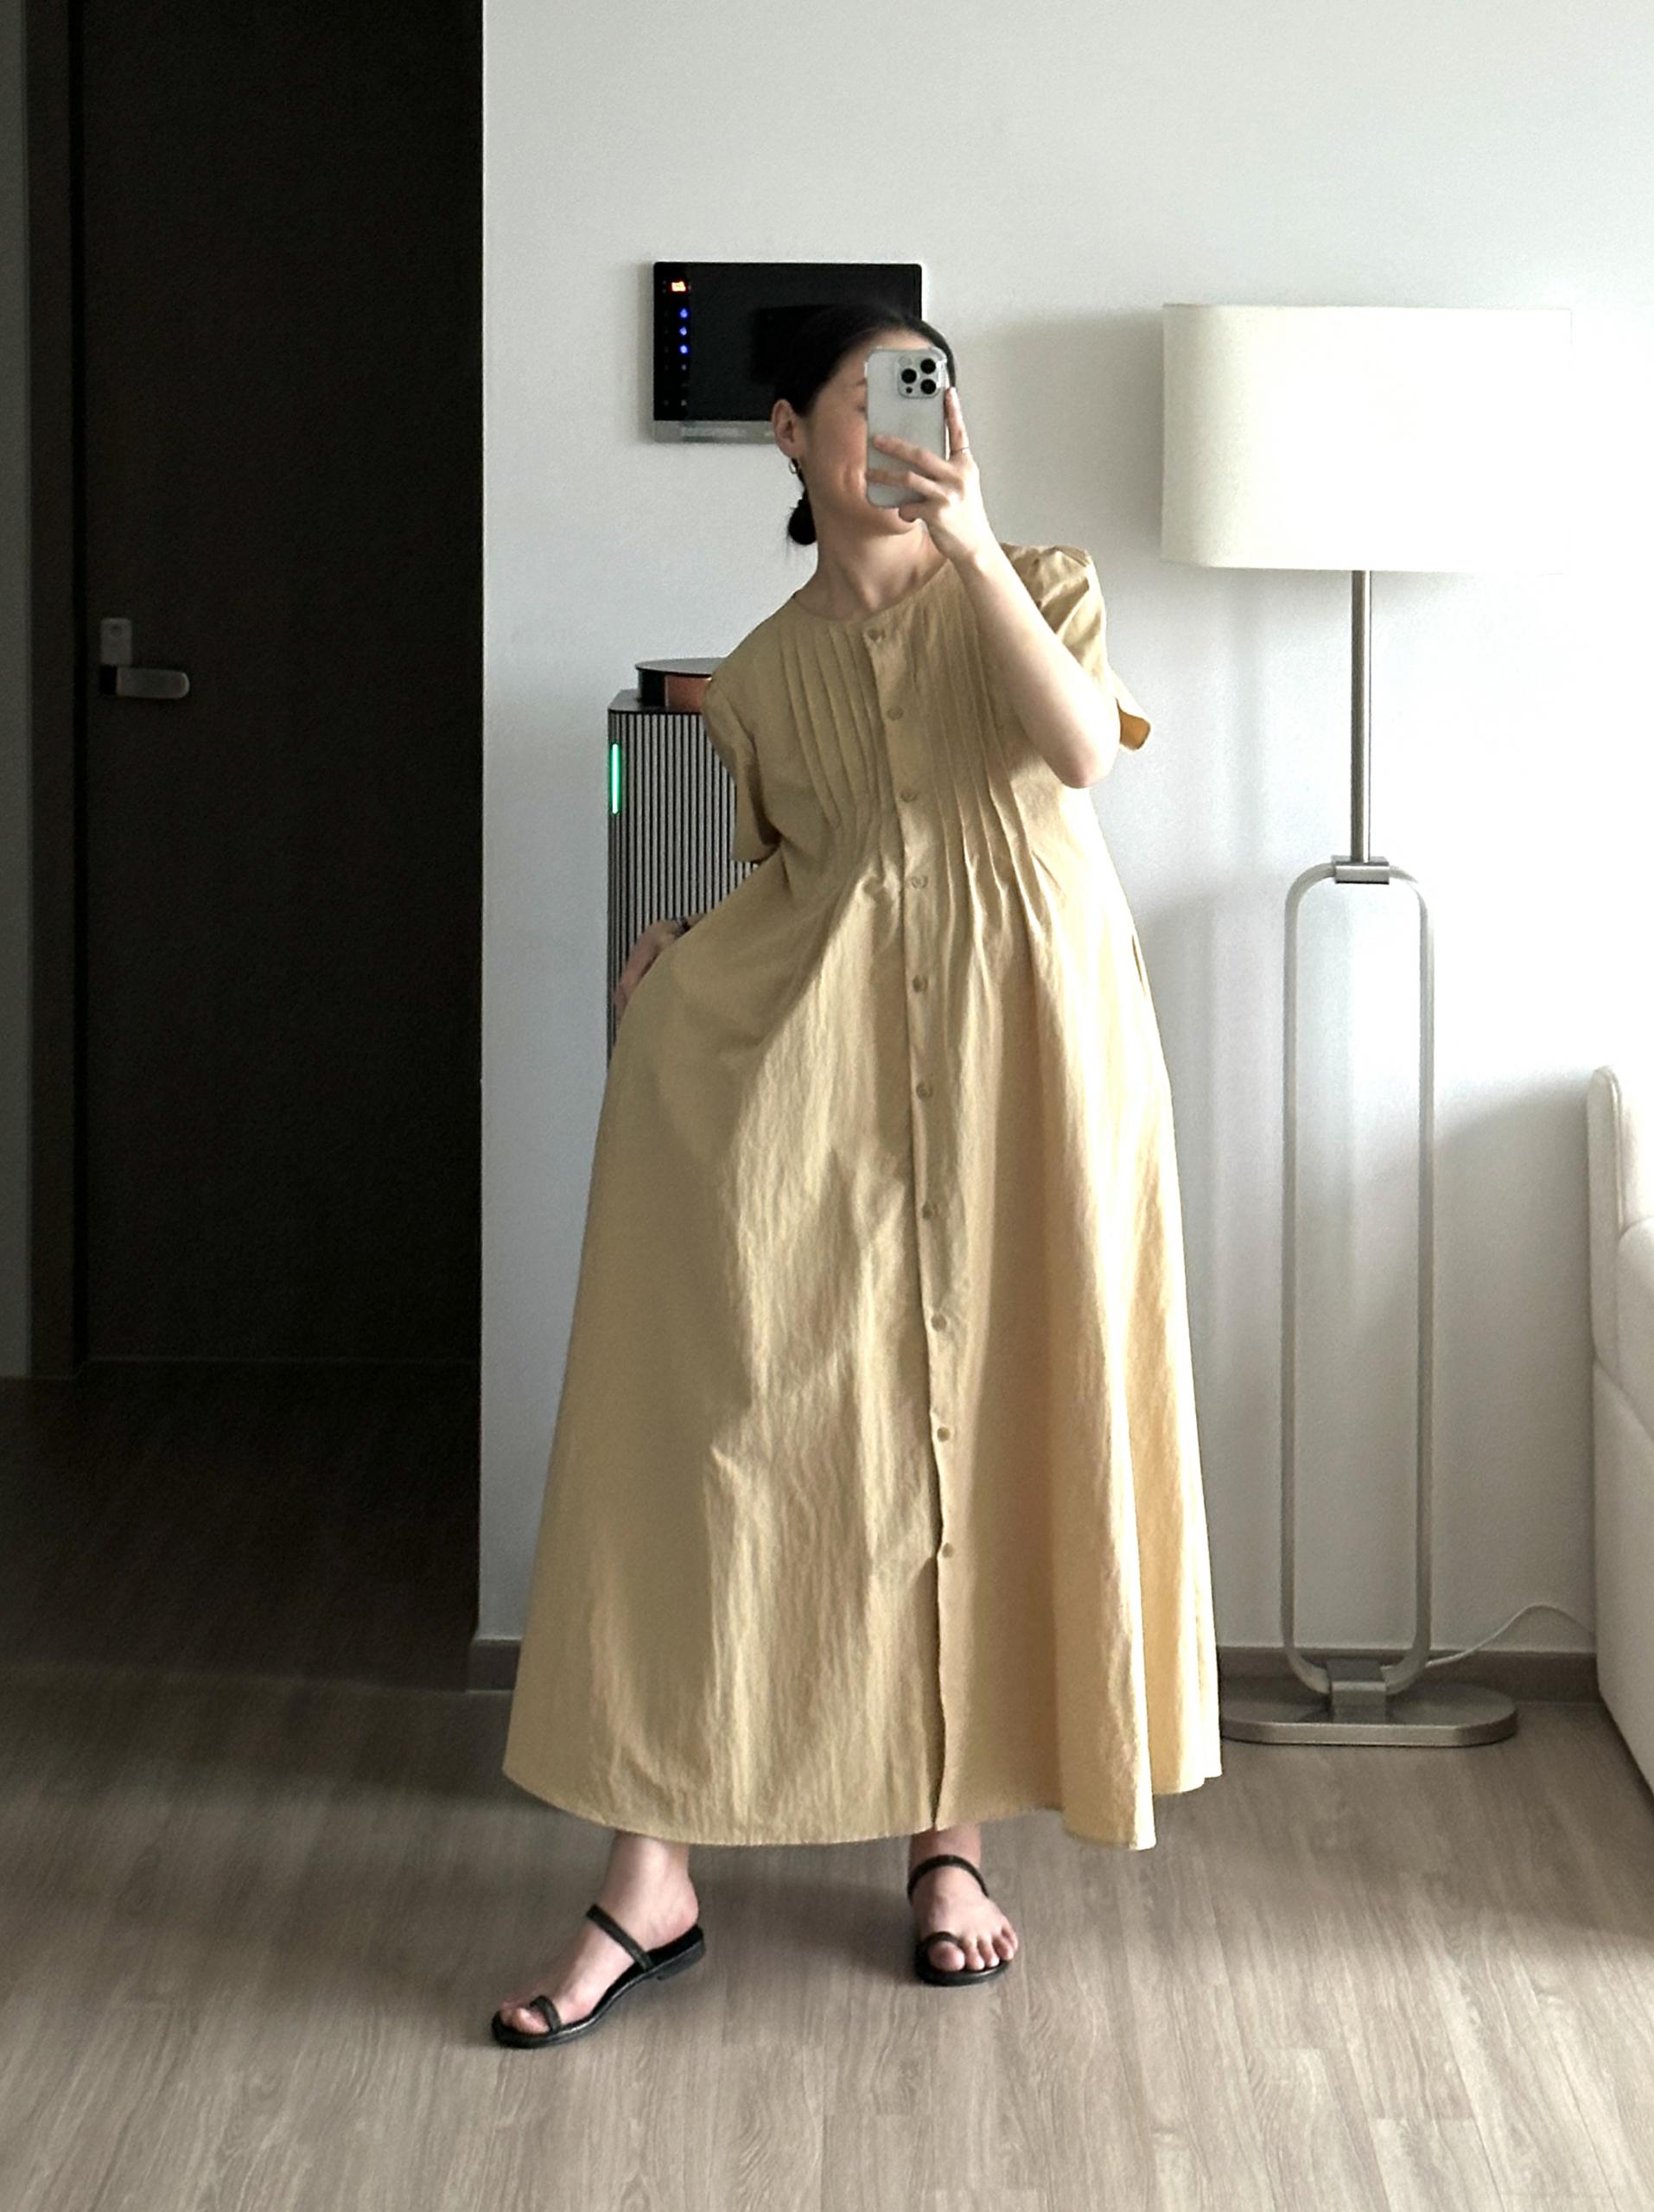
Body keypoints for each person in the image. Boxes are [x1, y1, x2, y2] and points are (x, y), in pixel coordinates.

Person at [493, 303, 1221, 2049]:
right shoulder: (756, 676)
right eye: (880, 396)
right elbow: (807, 878)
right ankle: (649, 1875)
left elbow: (1072, 752)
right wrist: (687, 955)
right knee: (737, 1428)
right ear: (790, 434)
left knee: (997, 1406)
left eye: (935, 395)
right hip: (823, 1071)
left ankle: (947, 1849)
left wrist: (971, 549)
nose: (913, 426)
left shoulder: (1037, 579)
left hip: (1036, 1058)